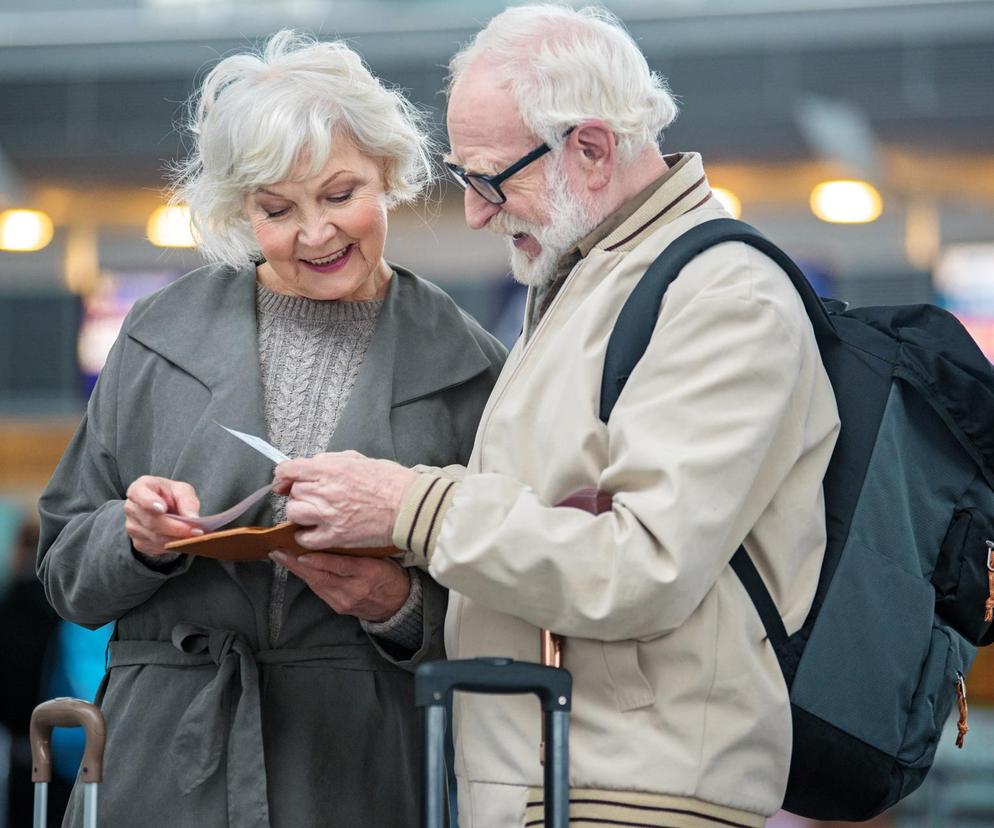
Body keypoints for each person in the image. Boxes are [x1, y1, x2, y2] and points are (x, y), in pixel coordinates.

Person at [273, 5, 841, 828]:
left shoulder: (725, 296)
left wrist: (410, 505)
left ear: (593, 147)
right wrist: (397, 596)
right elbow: (548, 556)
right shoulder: (593, 283)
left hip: (631, 793)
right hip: (561, 777)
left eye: (491, 178)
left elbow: (641, 566)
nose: (476, 212)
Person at [36, 30, 505, 828]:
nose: (315, 233)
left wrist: (398, 605)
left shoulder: (468, 365)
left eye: (340, 193)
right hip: (168, 762)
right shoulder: (157, 334)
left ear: (389, 172)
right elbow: (64, 570)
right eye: (277, 209)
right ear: (238, 209)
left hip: (356, 764)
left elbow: (507, 605)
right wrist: (137, 536)